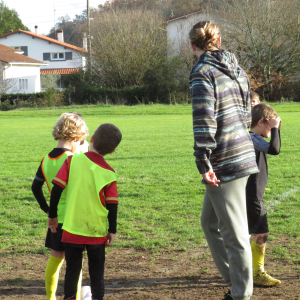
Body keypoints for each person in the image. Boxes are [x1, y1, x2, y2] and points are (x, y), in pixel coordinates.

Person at [189, 21, 259, 300]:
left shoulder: (201, 72)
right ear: (219, 40)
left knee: (234, 234)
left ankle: (241, 293)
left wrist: (204, 161)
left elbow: (204, 119)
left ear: (192, 45)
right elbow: (245, 115)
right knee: (210, 223)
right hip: (242, 152)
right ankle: (237, 279)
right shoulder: (238, 70)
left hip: (224, 161)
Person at [47, 123, 122, 300]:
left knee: (72, 270)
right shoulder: (109, 173)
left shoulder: (72, 161)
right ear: (111, 152)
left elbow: (56, 189)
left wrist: (52, 215)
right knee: (97, 272)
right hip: (96, 231)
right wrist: (112, 229)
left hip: (72, 229)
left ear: (92, 139)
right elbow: (112, 205)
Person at [31, 112, 88, 300]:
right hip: (73, 219)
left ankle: (50, 298)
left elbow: (35, 186)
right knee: (74, 265)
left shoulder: (46, 159)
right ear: (76, 137)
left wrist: (47, 209)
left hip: (55, 219)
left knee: (55, 260)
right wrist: (83, 153)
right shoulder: (74, 159)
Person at [246, 104, 281, 286]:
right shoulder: (252, 138)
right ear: (261, 122)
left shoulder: (252, 137)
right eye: (269, 124)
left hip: (251, 194)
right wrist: (275, 129)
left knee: (245, 233)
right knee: (261, 233)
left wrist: (275, 128)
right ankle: (257, 273)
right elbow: (274, 149)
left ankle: (242, 269)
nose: (272, 128)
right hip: (252, 195)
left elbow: (274, 146)